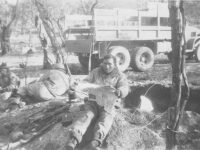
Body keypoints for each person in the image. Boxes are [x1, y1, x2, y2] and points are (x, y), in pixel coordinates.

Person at [66, 54, 129, 150]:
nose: (107, 66)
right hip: (93, 101)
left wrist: (119, 91)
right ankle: (74, 140)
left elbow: (124, 87)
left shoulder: (120, 76)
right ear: (102, 63)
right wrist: (80, 84)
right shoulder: (95, 72)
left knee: (105, 119)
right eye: (105, 63)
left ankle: (95, 143)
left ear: (115, 65)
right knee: (87, 115)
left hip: (109, 104)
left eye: (110, 64)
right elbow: (86, 81)